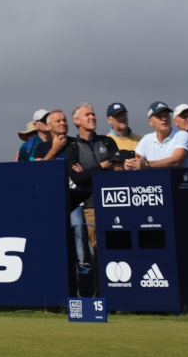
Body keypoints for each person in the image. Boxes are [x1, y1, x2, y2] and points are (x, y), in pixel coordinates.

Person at [64, 103, 118, 297]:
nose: (92, 117)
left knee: (111, 249)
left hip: (113, 203)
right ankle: (96, 295)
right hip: (90, 205)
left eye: (93, 114)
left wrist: (90, 171)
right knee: (93, 252)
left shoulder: (108, 141)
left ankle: (113, 294)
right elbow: (76, 178)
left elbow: (115, 167)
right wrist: (101, 166)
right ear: (77, 121)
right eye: (87, 115)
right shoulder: (72, 148)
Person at [135, 102, 188, 169]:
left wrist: (147, 164)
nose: (164, 119)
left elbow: (176, 161)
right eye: (159, 116)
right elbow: (137, 161)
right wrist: (130, 164)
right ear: (150, 122)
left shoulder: (182, 135)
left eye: (166, 115)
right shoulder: (146, 139)